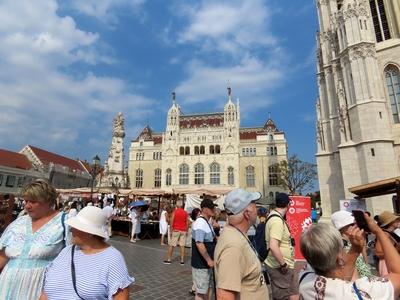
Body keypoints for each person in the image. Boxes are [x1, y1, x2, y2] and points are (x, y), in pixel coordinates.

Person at [40, 206, 133, 300]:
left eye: (76, 227)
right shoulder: (66, 252)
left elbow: (120, 297)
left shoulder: (112, 258)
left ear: (89, 232)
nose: (71, 230)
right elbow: (45, 293)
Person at [299, 214, 400, 299]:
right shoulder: (358, 292)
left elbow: (339, 276)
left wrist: (355, 249)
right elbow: (398, 275)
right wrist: (379, 231)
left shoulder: (304, 278)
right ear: (340, 257)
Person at [0, 179, 67, 300]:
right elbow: (3, 256)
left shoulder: (64, 223)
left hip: (40, 290)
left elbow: (73, 260)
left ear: (48, 201)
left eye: (33, 202)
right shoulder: (18, 223)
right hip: (6, 288)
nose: (27, 206)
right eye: (26, 201)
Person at [214, 188, 269, 299]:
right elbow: (224, 296)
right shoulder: (234, 246)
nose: (257, 210)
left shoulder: (237, 234)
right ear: (247, 214)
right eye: (254, 206)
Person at [265, 192, 299, 300]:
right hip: (280, 267)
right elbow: (273, 245)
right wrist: (283, 264)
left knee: (293, 293)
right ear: (288, 205)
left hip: (285, 265)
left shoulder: (275, 216)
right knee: (283, 296)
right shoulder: (277, 221)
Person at [331, 210, 372, 279]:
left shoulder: (351, 242)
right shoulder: (341, 247)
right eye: (352, 224)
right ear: (343, 227)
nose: (357, 226)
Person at [191, 199, 218, 300]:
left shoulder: (206, 222)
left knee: (207, 288)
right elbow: (199, 243)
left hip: (206, 265)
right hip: (201, 264)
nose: (214, 209)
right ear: (205, 209)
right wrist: (208, 260)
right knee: (201, 292)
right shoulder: (200, 223)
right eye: (212, 208)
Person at [374, 210, 400, 277]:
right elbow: (378, 253)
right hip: (388, 265)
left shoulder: (390, 233)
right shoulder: (384, 234)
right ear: (390, 222)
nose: (398, 221)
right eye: (396, 220)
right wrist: (396, 249)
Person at [164, 200, 189, 264]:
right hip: (183, 230)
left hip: (176, 230)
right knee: (182, 246)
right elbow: (187, 222)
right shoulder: (185, 212)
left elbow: (172, 221)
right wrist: (187, 230)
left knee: (172, 245)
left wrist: (171, 230)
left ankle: (169, 259)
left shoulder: (175, 212)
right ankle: (182, 260)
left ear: (177, 205)